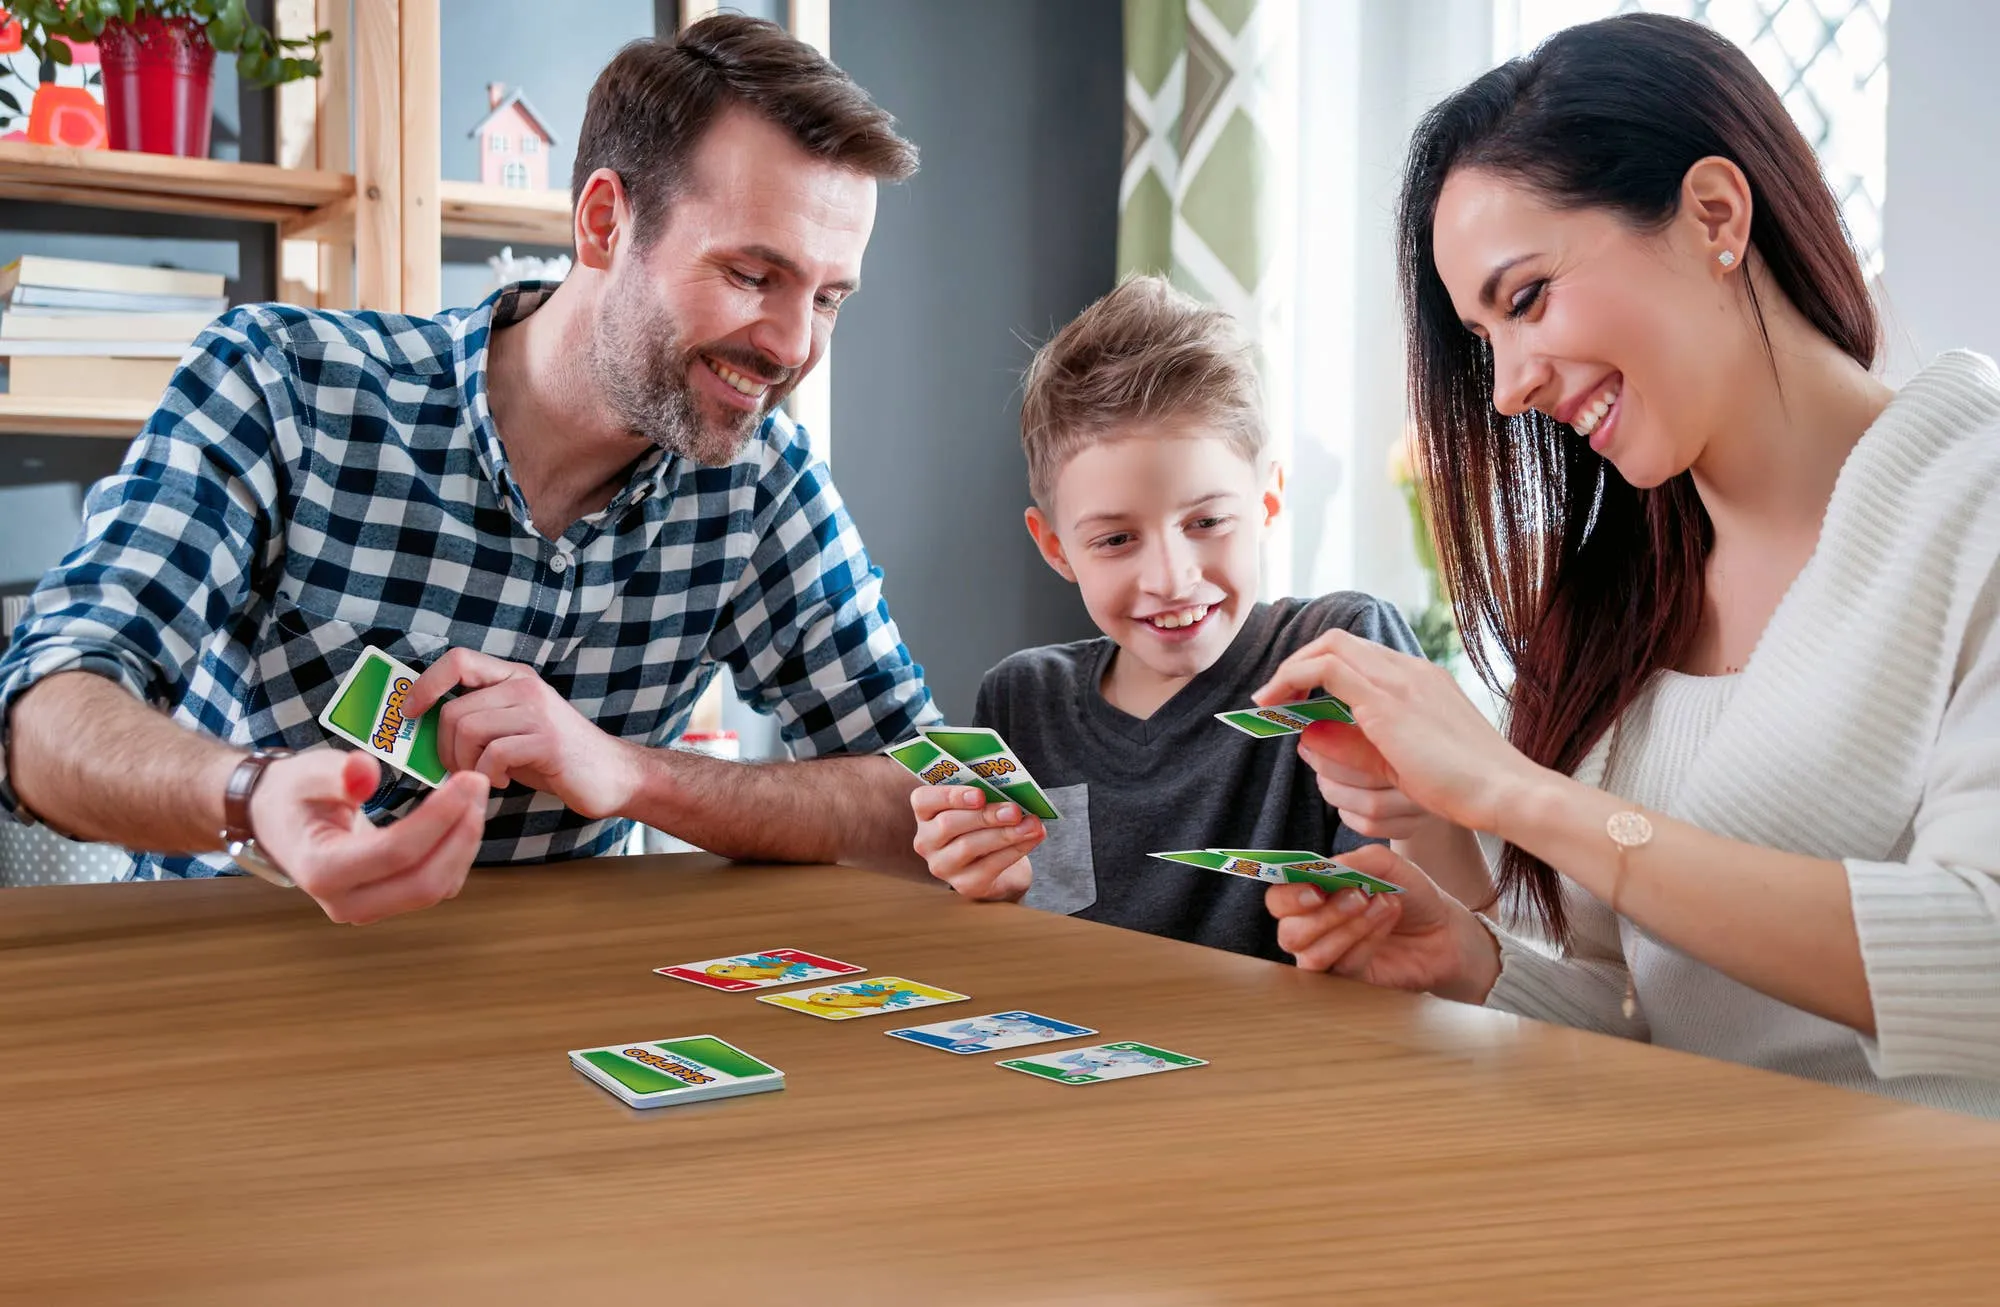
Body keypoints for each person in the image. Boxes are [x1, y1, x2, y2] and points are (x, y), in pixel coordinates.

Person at [0, 16, 941, 923]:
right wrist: (253, 794)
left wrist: (632, 773)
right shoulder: (284, 383)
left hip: (548, 1023)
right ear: (606, 222)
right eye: (750, 275)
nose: (791, 346)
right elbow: (42, 717)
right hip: (229, 976)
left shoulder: (760, 480)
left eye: (827, 297)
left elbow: (939, 799)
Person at [1259, 14, 2000, 1115]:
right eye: (1481, 339)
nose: (1506, 385)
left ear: (1713, 214)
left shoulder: (1970, 497)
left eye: (1525, 298)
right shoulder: (1620, 587)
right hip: (1684, 1197)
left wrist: (1519, 796)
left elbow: (1979, 959)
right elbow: (1634, 1012)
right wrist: (1470, 963)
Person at [908, 275, 1489, 962]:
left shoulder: (1344, 652)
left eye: (1207, 521)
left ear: (1269, 500)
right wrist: (991, 893)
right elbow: (1025, 947)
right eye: (1116, 539)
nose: (1172, 577)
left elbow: (1453, 935)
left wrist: (1425, 819)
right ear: (1056, 546)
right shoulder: (1022, 699)